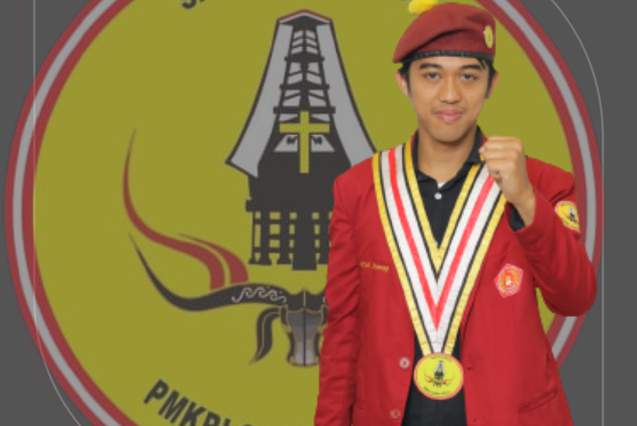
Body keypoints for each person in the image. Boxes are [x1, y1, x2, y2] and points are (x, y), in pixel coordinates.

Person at [314, 1, 597, 425]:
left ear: (491, 84)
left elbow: (574, 298)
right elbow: (343, 331)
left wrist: (525, 200)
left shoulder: (543, 184)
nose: (450, 94)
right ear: (403, 82)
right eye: (431, 75)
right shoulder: (358, 189)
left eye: (468, 76)